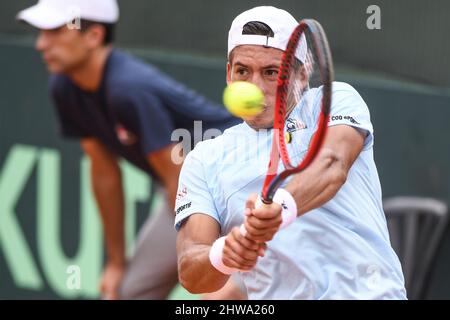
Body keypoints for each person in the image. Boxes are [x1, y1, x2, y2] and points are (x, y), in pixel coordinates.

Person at [16, 0, 244, 300]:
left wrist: (215, 266)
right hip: (185, 193)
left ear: (94, 37)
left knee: (223, 299)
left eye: (54, 31)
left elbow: (178, 179)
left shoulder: (128, 89)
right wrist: (115, 263)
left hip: (241, 183)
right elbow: (104, 172)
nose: (41, 44)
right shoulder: (64, 87)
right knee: (127, 293)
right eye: (41, 33)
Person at [175, 6, 407, 299]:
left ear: (302, 74)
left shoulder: (334, 101)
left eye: (272, 72)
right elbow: (190, 269)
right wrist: (224, 253)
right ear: (228, 74)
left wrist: (281, 208)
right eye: (243, 71)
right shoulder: (204, 159)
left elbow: (332, 164)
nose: (255, 87)